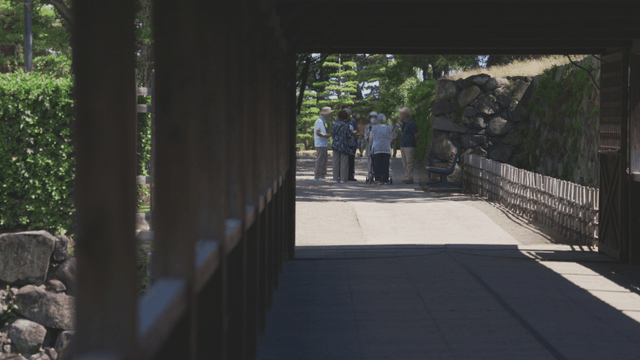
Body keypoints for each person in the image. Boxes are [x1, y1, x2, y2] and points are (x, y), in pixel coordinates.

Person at [331, 110, 356, 183]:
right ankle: (343, 178)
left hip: (335, 145)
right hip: (344, 145)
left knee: (335, 162)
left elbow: (332, 134)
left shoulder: (334, 124)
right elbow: (348, 136)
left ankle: (335, 178)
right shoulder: (346, 126)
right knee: (344, 162)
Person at [370, 113, 393, 184]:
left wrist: (371, 145)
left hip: (377, 148)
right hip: (386, 148)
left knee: (377, 164)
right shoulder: (389, 127)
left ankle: (378, 179)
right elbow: (391, 138)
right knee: (385, 164)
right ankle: (385, 179)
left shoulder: (374, 128)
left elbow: (371, 138)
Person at [398, 107, 418, 184]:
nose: (400, 115)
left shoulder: (411, 123)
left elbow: (416, 134)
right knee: (404, 162)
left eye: (401, 113)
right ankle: (407, 177)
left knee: (409, 162)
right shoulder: (404, 123)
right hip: (403, 145)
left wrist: (414, 143)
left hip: (409, 145)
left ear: (405, 114)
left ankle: (410, 177)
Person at [313, 107, 332, 181]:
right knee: (320, 160)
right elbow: (318, 132)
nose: (330, 115)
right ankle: (318, 176)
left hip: (323, 143)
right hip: (320, 144)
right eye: (329, 114)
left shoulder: (322, 121)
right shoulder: (319, 121)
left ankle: (321, 175)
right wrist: (326, 135)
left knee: (323, 160)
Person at [344, 108, 359, 181]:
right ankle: (342, 175)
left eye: (349, 115)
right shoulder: (340, 121)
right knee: (343, 160)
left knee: (351, 160)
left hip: (352, 143)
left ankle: (350, 176)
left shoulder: (353, 121)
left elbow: (356, 130)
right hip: (343, 143)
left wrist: (352, 132)